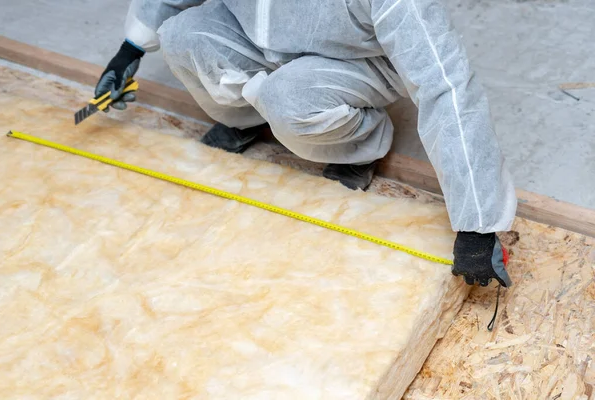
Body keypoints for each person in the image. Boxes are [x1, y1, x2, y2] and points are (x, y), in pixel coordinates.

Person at [96, 0, 517, 287]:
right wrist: (130, 48)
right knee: (183, 35)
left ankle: (362, 142)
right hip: (254, 32)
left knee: (290, 100)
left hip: (353, 61)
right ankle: (243, 119)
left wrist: (475, 225)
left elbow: (446, 86)